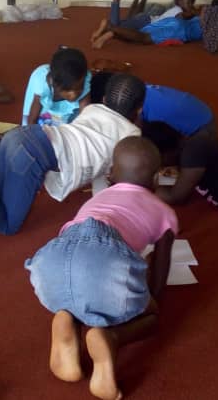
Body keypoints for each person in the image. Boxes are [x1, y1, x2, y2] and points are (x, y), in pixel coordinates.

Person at [25, 137, 177, 400]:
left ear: (111, 173)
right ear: (156, 177)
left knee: (80, 291)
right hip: (104, 266)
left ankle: (68, 319)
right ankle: (111, 338)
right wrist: (150, 300)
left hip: (50, 266)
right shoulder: (164, 212)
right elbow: (160, 276)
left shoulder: (99, 197)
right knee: (151, 318)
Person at [0, 72, 146, 235]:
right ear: (140, 109)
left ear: (104, 99)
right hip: (32, 152)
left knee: (1, 203)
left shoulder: (94, 109)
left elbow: (98, 166)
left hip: (21, 136)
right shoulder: (132, 136)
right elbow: (111, 176)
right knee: (7, 226)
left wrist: (97, 206)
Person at [89, 72, 215, 138]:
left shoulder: (143, 109)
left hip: (202, 130)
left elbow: (136, 134)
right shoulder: (134, 91)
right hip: (201, 114)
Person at [21, 48, 92, 126]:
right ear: (55, 84)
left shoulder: (82, 78)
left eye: (78, 88)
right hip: (42, 107)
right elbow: (31, 122)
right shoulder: (42, 84)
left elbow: (86, 118)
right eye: (68, 90)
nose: (74, 95)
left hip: (64, 110)